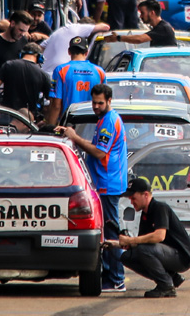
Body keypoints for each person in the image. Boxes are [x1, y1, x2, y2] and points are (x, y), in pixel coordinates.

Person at [61, 84, 128, 293]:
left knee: (110, 235)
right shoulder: (104, 119)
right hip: (103, 185)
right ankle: (111, 276)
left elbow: (99, 153)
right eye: (94, 102)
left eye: (100, 103)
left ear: (109, 101)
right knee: (105, 233)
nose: (96, 106)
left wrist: (74, 137)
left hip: (108, 186)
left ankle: (116, 279)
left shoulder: (109, 121)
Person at [109, 178, 190, 298]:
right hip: (165, 254)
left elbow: (159, 236)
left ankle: (166, 285)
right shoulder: (145, 214)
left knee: (144, 250)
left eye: (133, 198)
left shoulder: (160, 208)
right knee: (127, 257)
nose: (131, 202)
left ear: (145, 195)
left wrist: (131, 240)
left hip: (181, 256)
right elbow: (139, 243)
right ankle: (172, 277)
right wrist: (115, 244)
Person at [45, 36, 107, 125]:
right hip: (92, 123)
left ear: (69, 51)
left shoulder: (61, 70)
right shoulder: (100, 71)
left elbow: (56, 104)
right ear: (86, 52)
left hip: (69, 123)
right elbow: (104, 101)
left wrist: (50, 128)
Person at [0, 42, 51, 120]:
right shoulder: (43, 75)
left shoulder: (8, 65)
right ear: (38, 56)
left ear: (21, 54)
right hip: (28, 119)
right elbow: (51, 100)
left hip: (6, 114)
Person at [41, 17, 110, 77]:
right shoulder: (78, 28)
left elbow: (40, 47)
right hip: (61, 73)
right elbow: (105, 27)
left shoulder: (60, 31)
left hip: (44, 72)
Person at [104, 0, 177, 47]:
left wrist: (118, 38)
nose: (141, 16)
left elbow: (139, 39)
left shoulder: (163, 28)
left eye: (142, 13)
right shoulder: (158, 28)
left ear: (152, 13)